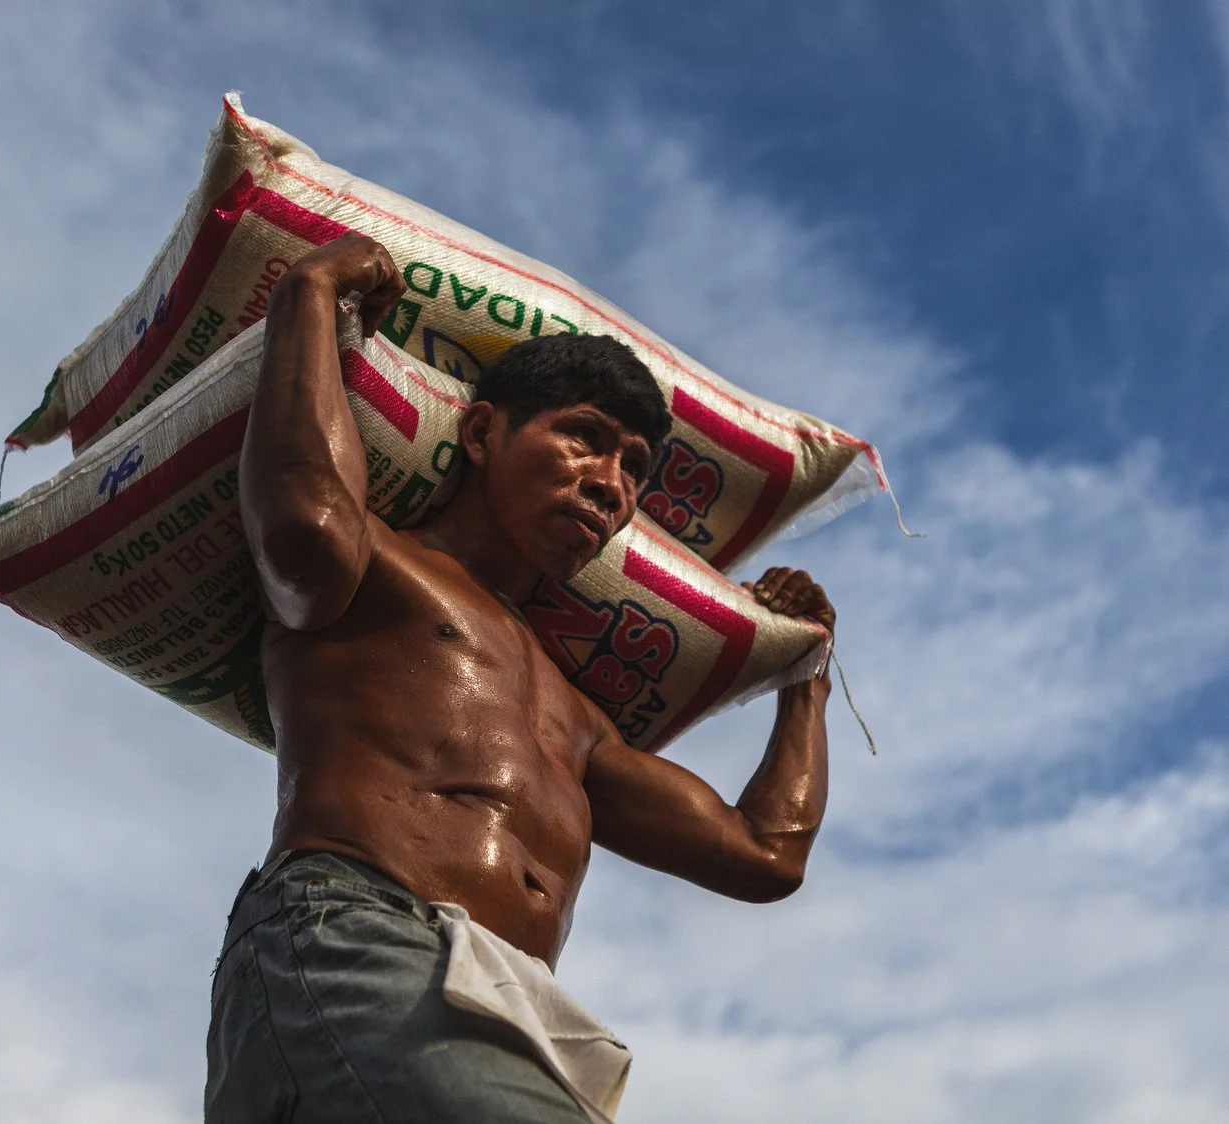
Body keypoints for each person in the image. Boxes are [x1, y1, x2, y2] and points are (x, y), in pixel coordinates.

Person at [205, 234, 836, 1123]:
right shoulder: (377, 568)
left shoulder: (575, 718)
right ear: (481, 432)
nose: (611, 484)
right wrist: (309, 294)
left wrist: (805, 674)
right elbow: (302, 529)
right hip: (358, 938)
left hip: (505, 1001)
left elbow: (765, 856)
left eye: (633, 471)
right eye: (585, 438)